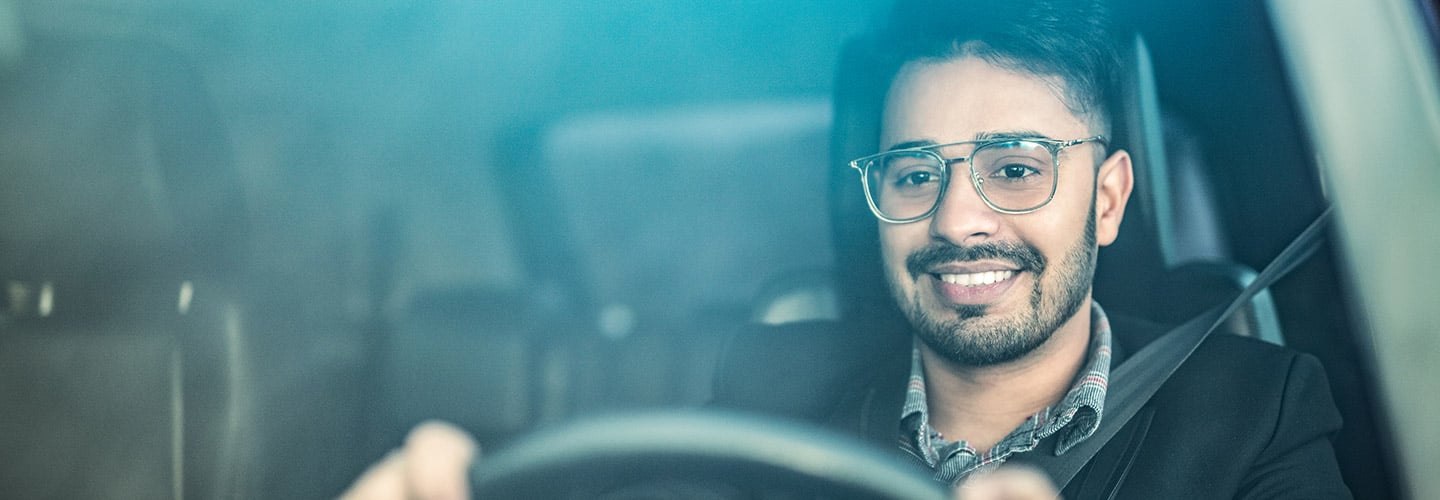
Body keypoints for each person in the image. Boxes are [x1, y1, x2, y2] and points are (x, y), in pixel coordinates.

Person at [343, 0, 1352, 498]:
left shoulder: (1257, 410)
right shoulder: (771, 378)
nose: (958, 221)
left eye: (1015, 167)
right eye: (915, 173)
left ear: (1109, 196)